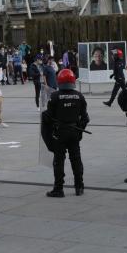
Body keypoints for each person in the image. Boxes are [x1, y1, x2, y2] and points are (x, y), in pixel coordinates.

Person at [45, 69, 89, 197]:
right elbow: (85, 118)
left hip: (60, 133)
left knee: (59, 160)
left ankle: (58, 188)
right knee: (76, 159)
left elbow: (49, 117)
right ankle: (79, 187)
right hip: (74, 131)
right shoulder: (79, 96)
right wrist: (79, 129)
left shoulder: (54, 97)